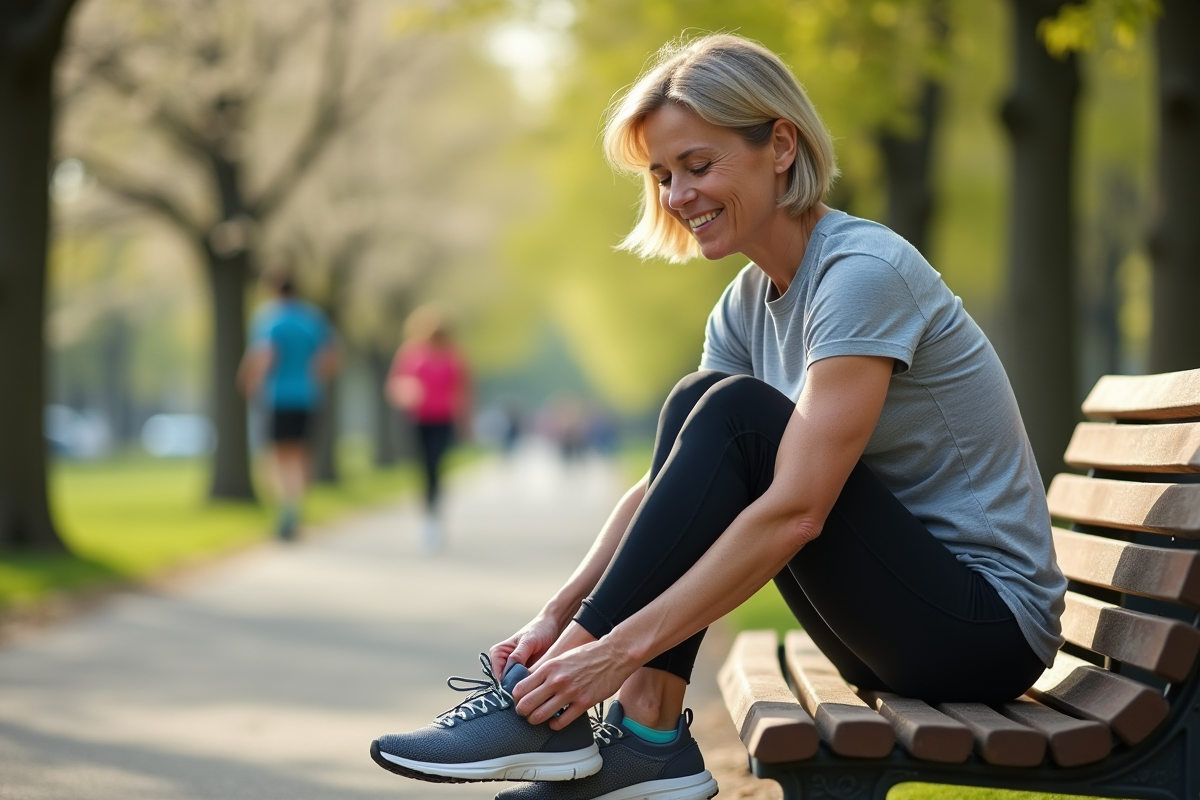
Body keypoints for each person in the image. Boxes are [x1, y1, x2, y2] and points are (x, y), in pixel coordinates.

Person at [369, 34, 1066, 800]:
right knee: (700, 406)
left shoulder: (862, 274)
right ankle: (646, 736)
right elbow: (670, 490)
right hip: (893, 622)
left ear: (779, 145)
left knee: (734, 411)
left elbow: (798, 512)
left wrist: (608, 653)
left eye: (698, 167)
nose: (676, 196)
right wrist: (558, 620)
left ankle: (568, 717)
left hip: (984, 630)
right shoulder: (743, 305)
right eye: (663, 176)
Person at [238, 271, 338, 541]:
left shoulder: (270, 318)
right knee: (300, 456)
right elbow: (331, 355)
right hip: (307, 397)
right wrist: (314, 378)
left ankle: (286, 512)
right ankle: (296, 509)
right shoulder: (312, 318)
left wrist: (249, 382)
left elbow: (265, 354)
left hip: (278, 397)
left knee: (278, 457)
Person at [386, 305, 471, 552]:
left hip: (443, 419)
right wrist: (407, 392)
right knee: (423, 466)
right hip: (417, 419)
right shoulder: (410, 354)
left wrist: (465, 423)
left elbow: (462, 391)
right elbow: (394, 386)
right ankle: (427, 514)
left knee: (436, 465)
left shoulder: (454, 356)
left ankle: (434, 513)